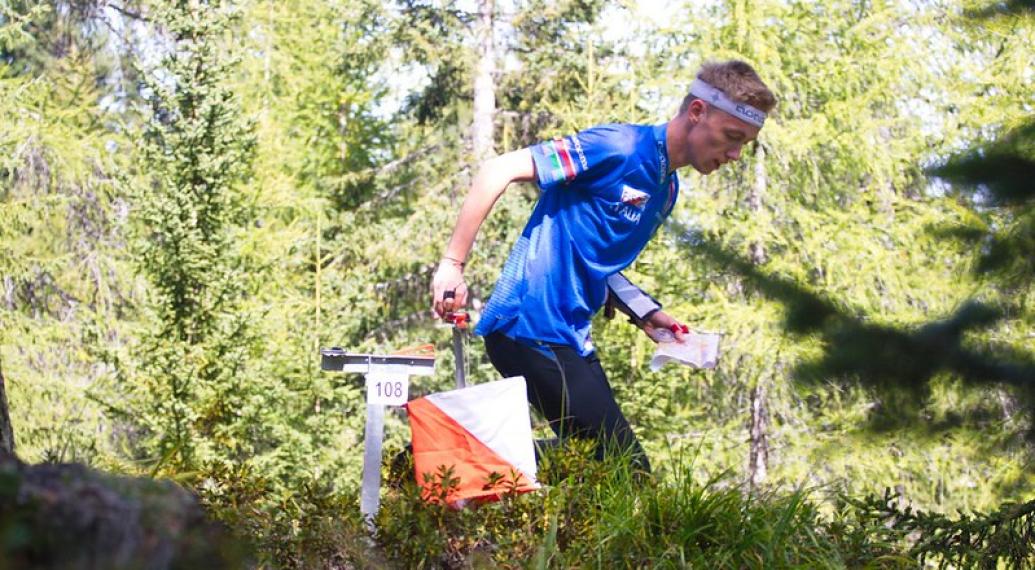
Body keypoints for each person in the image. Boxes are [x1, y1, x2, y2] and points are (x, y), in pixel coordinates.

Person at [431, 60, 776, 472]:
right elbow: (498, 169)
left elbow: (595, 262)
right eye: (732, 137)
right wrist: (452, 264)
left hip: (570, 337)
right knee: (623, 466)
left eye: (744, 144)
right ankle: (446, 461)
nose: (735, 154)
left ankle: (453, 462)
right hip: (528, 326)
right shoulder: (619, 147)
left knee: (601, 466)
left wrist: (645, 313)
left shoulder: (665, 191)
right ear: (697, 112)